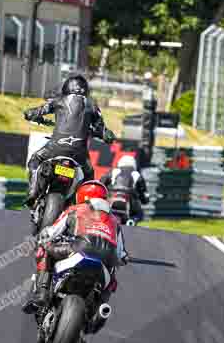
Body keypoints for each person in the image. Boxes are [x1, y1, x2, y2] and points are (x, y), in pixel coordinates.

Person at [22, 181, 128, 336]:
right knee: (112, 280)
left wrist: (42, 239)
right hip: (104, 264)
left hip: (78, 251)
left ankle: (41, 293)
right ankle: (100, 311)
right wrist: (123, 259)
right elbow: (122, 254)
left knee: (44, 248)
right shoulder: (115, 221)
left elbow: (50, 233)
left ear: (82, 196)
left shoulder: (75, 209)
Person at [23, 75, 116, 209]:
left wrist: (29, 113)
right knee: (89, 175)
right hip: (79, 153)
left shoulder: (58, 101)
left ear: (66, 87)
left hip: (55, 147)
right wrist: (106, 136)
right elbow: (103, 132)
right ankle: (83, 208)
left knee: (35, 159)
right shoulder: (93, 106)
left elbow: (36, 112)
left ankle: (33, 191)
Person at [100, 154, 150, 222]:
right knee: (139, 215)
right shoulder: (137, 174)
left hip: (112, 201)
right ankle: (132, 222)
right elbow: (143, 194)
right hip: (129, 204)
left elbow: (101, 183)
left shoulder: (113, 171)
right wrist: (144, 200)